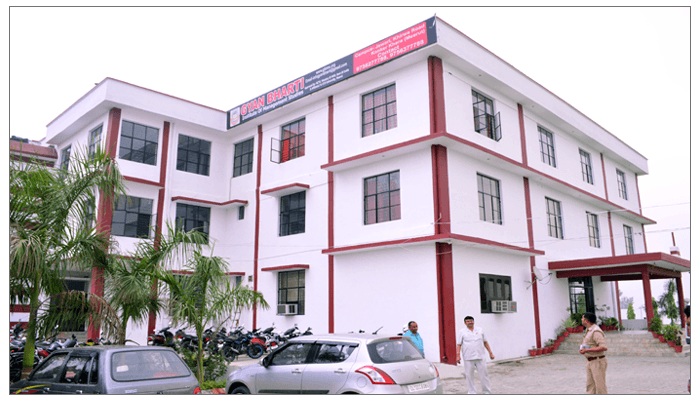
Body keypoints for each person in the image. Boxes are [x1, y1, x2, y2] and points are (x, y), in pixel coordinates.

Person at [456, 316, 495, 394]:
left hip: (480, 356)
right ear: (465, 323)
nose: (470, 322)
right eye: (468, 321)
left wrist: (490, 353)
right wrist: (458, 355)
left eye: (471, 321)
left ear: (473, 321)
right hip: (468, 357)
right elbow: (459, 344)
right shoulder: (462, 332)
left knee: (484, 375)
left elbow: (485, 342)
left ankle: (487, 392)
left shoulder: (480, 330)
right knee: (469, 376)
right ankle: (472, 392)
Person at [579, 312, 608, 394]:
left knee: (600, 387)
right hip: (590, 361)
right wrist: (584, 350)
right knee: (590, 386)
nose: (581, 319)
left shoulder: (596, 331)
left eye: (583, 318)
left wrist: (587, 350)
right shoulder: (589, 330)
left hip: (597, 361)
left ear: (586, 320)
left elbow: (603, 347)